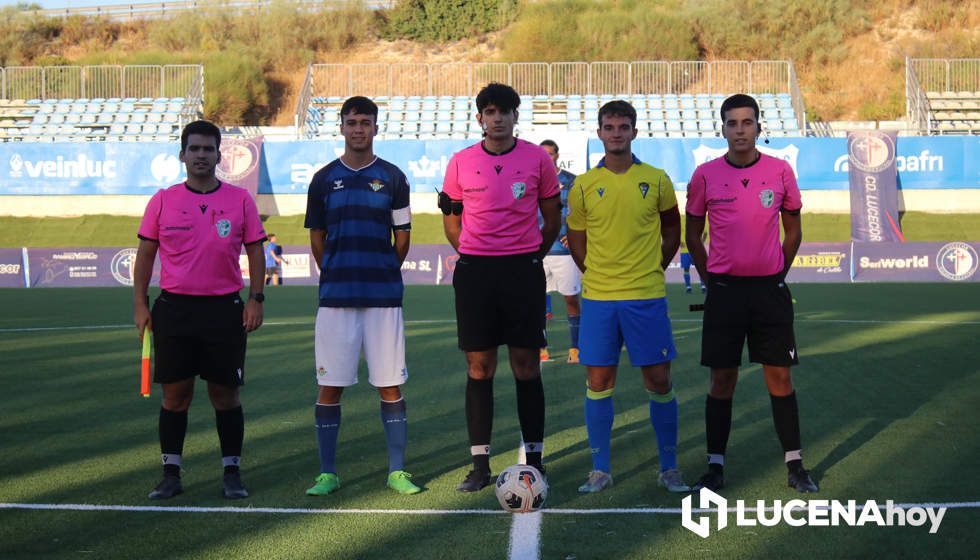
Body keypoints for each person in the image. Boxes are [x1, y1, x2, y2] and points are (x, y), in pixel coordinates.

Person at [685, 93, 818, 494]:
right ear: (722, 128)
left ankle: (795, 465)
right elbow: (693, 235)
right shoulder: (705, 175)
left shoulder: (780, 172)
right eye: (732, 123)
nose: (740, 130)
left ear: (759, 127)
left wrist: (779, 271)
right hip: (725, 292)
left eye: (747, 122)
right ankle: (715, 468)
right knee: (721, 380)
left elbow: (793, 231)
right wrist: (711, 280)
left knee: (779, 378)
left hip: (769, 292)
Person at [133, 120, 266, 500]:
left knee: (226, 397)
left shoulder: (240, 200)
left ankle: (232, 472)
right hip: (174, 310)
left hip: (225, 310)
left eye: (209, 149)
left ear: (218, 155)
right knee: (176, 397)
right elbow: (145, 254)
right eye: (195, 149)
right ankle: (171, 474)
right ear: (183, 155)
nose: (202, 155)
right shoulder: (163, 199)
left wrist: (256, 298)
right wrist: (141, 304)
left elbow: (255, 249)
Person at [441, 82, 561, 492]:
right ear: (480, 119)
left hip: (522, 272)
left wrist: (528, 254)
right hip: (476, 274)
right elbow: (452, 218)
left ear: (515, 116)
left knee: (526, 365)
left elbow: (551, 217)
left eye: (504, 112)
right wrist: (472, 252)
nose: (497, 119)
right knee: (479, 367)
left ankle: (536, 459)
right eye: (489, 112)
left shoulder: (536, 160)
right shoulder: (460, 162)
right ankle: (479, 465)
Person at [566, 100, 688, 494]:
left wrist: (658, 264)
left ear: (634, 132)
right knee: (599, 380)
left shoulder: (655, 179)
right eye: (609, 127)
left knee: (658, 380)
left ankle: (669, 467)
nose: (616, 133)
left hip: (645, 296)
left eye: (623, 126)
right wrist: (597, 273)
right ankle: (600, 470)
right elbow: (578, 241)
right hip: (600, 298)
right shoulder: (583, 185)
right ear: (599, 133)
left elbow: (673, 226)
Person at [303, 96, 421, 496]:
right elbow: (317, 238)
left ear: (375, 127)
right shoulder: (322, 180)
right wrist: (335, 269)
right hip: (336, 297)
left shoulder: (393, 177)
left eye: (365, 122)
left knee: (390, 385)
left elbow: (402, 236)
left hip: (383, 297)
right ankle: (327, 473)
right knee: (330, 385)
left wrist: (385, 268)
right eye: (351, 122)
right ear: (340, 127)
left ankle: (397, 471)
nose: (358, 129)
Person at [538, 139, 581, 364]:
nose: (546, 157)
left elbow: (580, 212)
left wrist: (573, 232)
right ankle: (541, 348)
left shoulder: (571, 181)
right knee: (536, 301)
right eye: (542, 153)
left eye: (550, 153)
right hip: (538, 250)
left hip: (564, 252)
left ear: (557, 155)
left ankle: (575, 348)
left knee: (571, 299)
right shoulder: (531, 178)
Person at [680, 225, 707, 294]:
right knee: (686, 269)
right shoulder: (681, 221)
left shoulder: (695, 221)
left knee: (700, 267)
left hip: (695, 249)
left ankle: (703, 286)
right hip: (685, 251)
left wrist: (701, 243)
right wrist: (679, 242)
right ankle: (688, 287)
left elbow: (705, 232)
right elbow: (676, 234)